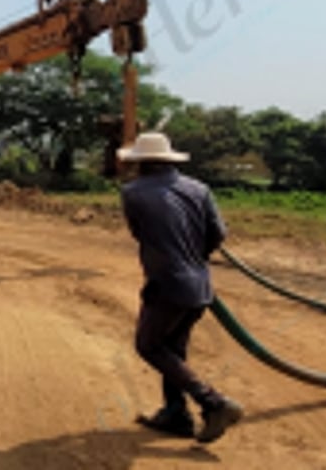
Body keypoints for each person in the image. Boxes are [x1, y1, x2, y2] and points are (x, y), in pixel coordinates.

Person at [118, 132, 243, 444]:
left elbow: (141, 233)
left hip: (167, 285)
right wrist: (193, 259)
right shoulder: (199, 189)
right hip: (200, 287)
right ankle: (176, 413)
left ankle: (213, 402)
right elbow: (218, 234)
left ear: (141, 163)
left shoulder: (133, 193)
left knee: (149, 346)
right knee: (173, 350)